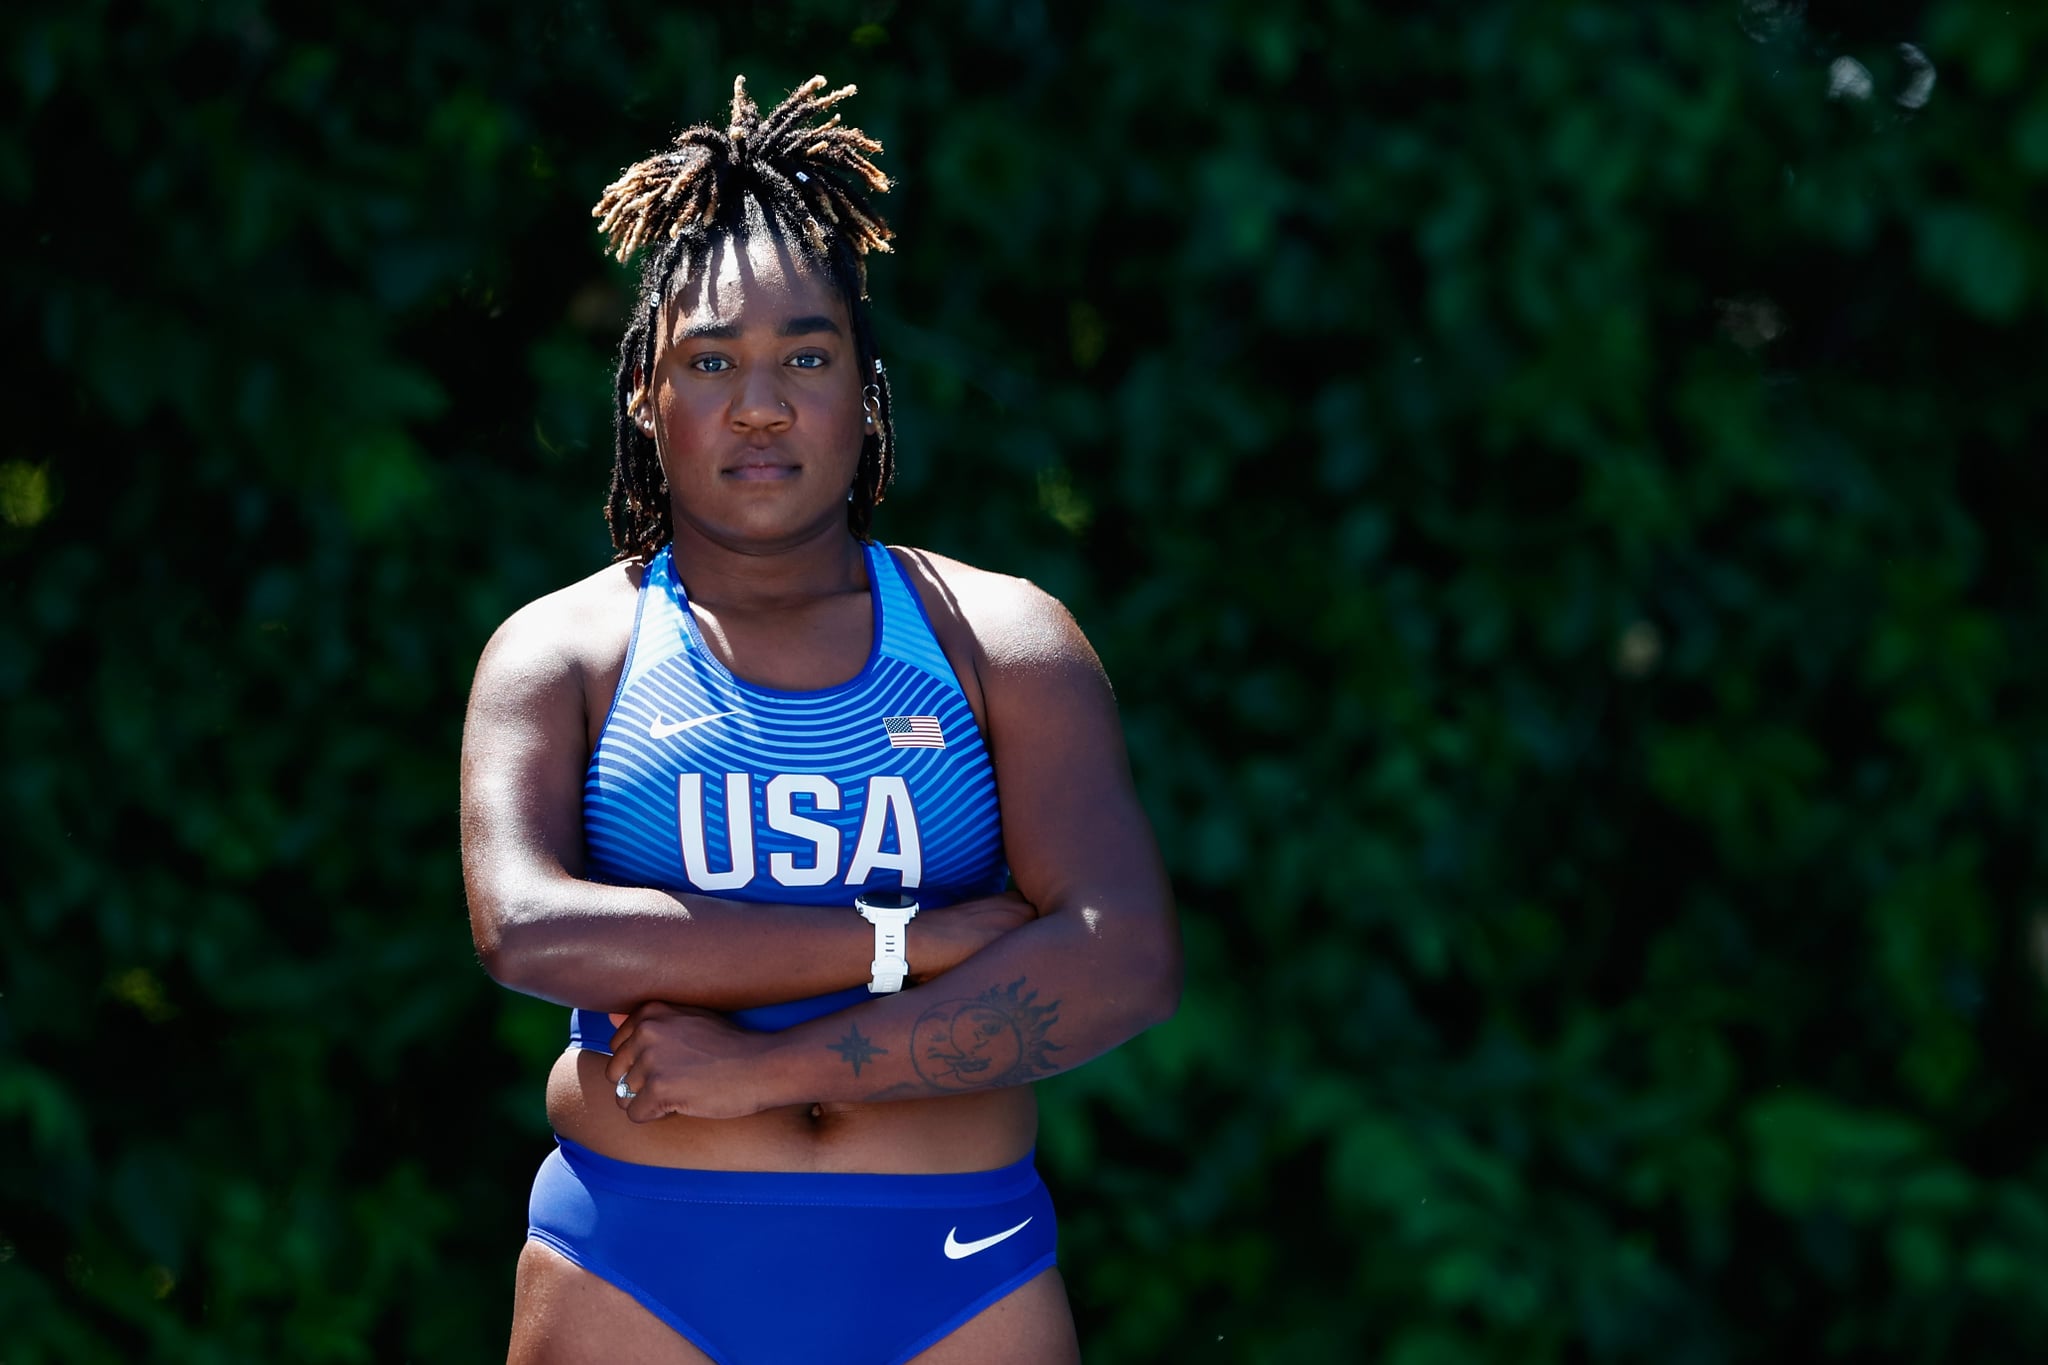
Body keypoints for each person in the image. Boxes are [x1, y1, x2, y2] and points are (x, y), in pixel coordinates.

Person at [459, 75, 1180, 1365]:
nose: (759, 403)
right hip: (639, 1259)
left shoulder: (999, 640)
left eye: (806, 354)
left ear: (866, 389)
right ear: (644, 393)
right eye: (709, 361)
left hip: (959, 1268)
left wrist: (763, 1070)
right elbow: (529, 930)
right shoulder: (562, 649)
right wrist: (910, 939)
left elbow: (1122, 959)